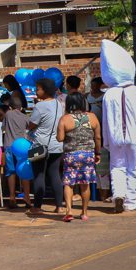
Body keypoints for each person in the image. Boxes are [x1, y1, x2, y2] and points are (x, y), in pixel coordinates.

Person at [100, 40, 136, 213]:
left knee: (117, 167)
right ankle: (131, 202)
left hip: (115, 138)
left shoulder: (108, 95)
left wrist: (106, 141)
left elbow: (105, 120)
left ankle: (118, 195)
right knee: (134, 168)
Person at [57, 92, 101, 222]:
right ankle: (84, 212)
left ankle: (69, 211)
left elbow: (60, 138)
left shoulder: (65, 119)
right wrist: (97, 153)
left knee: (68, 183)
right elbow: (98, 137)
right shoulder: (92, 117)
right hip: (88, 154)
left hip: (71, 155)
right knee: (85, 183)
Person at [27, 78, 64, 214]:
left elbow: (32, 124)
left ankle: (37, 206)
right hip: (57, 145)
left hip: (39, 145)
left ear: (45, 90)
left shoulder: (40, 106)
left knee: (39, 176)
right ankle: (59, 206)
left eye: (38, 89)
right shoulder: (59, 104)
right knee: (55, 175)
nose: (36, 91)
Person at [2, 95, 31, 208]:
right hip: (22, 147)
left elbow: (3, 128)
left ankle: (12, 197)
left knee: (11, 172)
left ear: (10, 107)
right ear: (21, 107)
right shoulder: (25, 117)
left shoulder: (8, 114)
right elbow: (30, 128)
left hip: (9, 145)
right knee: (24, 170)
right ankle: (27, 197)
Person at [86, 76, 110, 201]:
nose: (93, 87)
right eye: (92, 85)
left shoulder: (105, 96)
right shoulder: (86, 96)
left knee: (102, 166)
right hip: (90, 128)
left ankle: (104, 193)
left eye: (95, 85)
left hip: (102, 126)